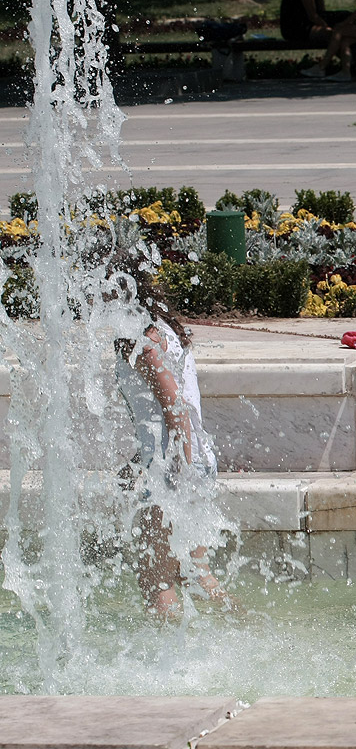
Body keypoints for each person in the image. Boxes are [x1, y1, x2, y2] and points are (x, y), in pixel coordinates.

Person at [109, 249, 227, 616]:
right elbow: (170, 412)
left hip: (172, 469)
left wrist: (175, 469)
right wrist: (140, 460)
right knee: (197, 575)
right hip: (196, 460)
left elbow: (173, 404)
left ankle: (153, 667)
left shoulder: (138, 338)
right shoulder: (163, 327)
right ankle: (245, 630)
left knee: (156, 586)